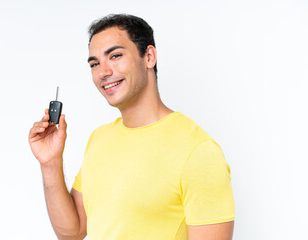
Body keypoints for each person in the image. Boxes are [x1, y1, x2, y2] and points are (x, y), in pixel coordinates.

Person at [28, 14, 235, 240]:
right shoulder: (99, 139)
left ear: (149, 56)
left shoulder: (198, 151)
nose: (103, 72)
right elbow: (73, 232)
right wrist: (50, 163)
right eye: (95, 63)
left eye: (115, 56)